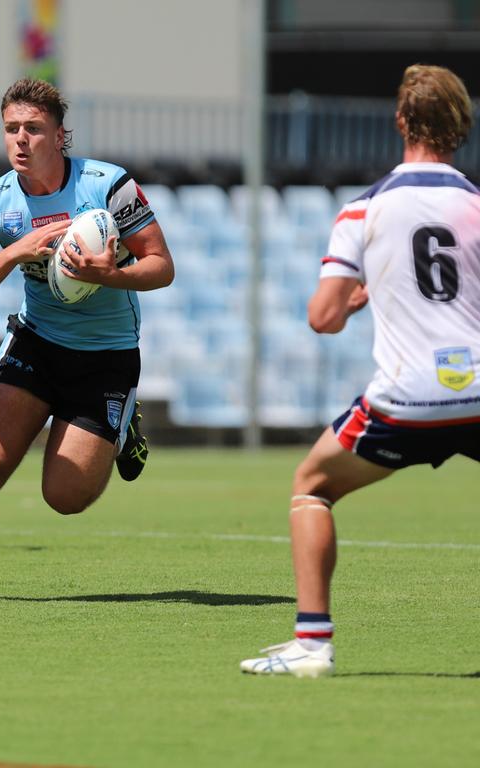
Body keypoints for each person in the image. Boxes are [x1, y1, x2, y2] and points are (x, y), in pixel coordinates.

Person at [240, 64, 480, 678]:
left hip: (406, 400)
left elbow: (322, 317)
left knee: (311, 488)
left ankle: (313, 647)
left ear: (400, 121)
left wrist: (347, 302)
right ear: (461, 126)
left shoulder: (363, 210)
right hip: (476, 390)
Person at [0, 78, 168, 601]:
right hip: (37, 342)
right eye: (11, 129)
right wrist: (13, 254)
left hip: (106, 356)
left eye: (33, 129)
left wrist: (106, 275)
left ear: (59, 136)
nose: (21, 139)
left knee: (64, 497)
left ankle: (122, 422)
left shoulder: (109, 186)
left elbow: (161, 266)